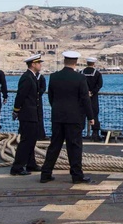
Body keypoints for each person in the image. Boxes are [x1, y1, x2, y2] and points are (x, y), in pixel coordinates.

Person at [40, 51, 95, 183]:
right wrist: (90, 116)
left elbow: (51, 96)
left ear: (64, 61)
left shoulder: (54, 77)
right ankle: (76, 176)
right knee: (74, 147)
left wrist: (57, 108)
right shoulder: (80, 78)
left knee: (54, 146)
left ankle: (46, 173)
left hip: (58, 116)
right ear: (75, 62)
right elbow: (85, 99)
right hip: (74, 117)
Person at [11, 54, 44, 175]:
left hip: (33, 113)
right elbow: (21, 95)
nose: (40, 65)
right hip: (27, 114)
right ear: (33, 64)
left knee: (32, 140)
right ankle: (17, 167)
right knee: (26, 141)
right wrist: (16, 110)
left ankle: (31, 163)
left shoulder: (33, 77)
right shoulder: (27, 77)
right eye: (39, 63)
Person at [82, 57, 103, 140]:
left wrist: (85, 92)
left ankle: (79, 132)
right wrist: (92, 92)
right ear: (94, 63)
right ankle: (95, 134)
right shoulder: (97, 73)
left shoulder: (81, 72)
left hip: (83, 96)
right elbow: (99, 85)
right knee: (94, 114)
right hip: (93, 97)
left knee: (82, 114)